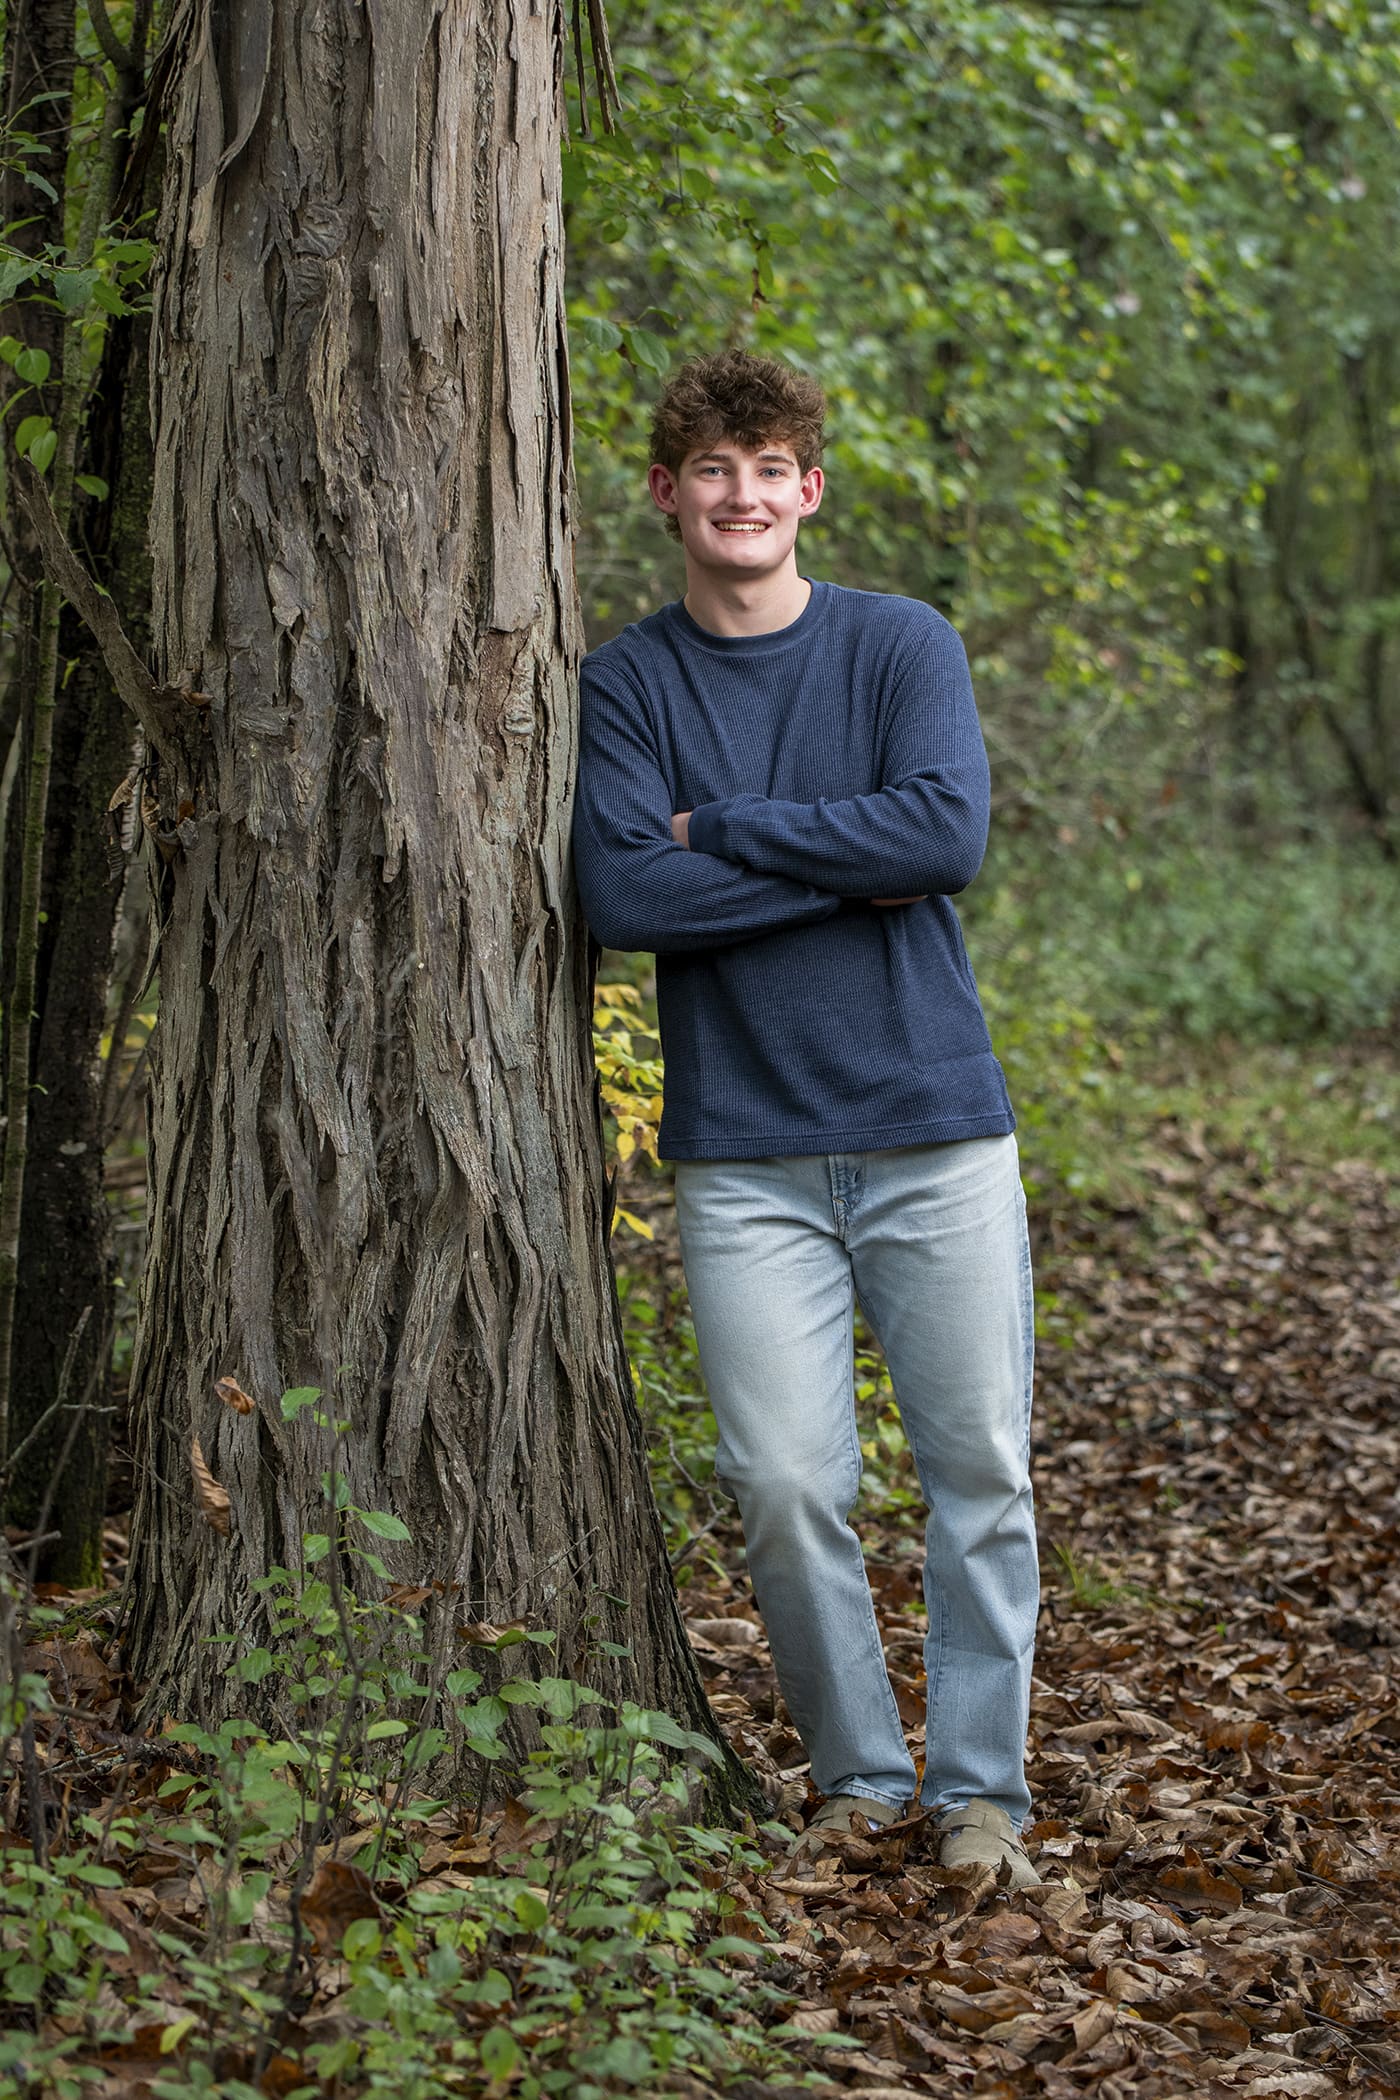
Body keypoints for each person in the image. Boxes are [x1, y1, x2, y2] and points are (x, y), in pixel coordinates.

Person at [572, 349, 1040, 1887]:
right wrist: (852, 856)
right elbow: (628, 889)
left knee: (977, 1475)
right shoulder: (630, 680)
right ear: (667, 493)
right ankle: (858, 1776)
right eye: (713, 468)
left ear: (810, 491)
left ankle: (981, 1798)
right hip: (747, 1155)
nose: (743, 494)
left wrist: (741, 833)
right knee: (783, 1487)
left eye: (770, 467)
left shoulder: (903, 645)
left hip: (935, 1132)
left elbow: (947, 832)